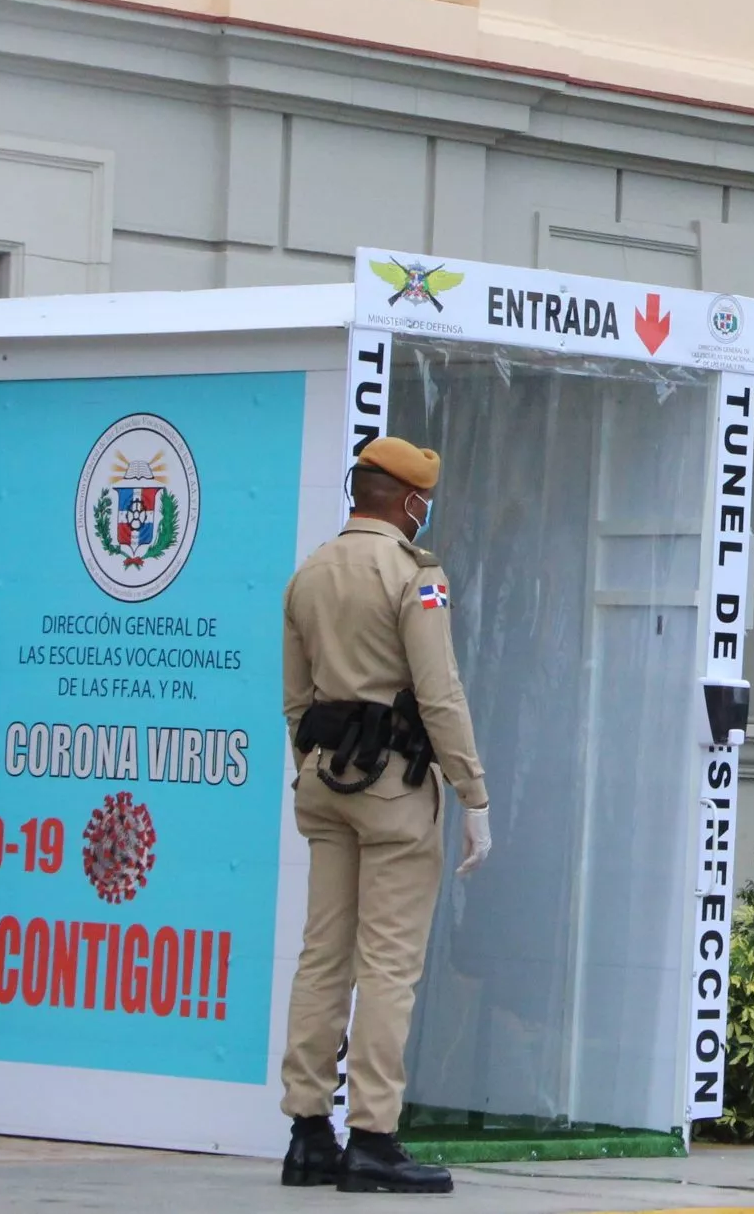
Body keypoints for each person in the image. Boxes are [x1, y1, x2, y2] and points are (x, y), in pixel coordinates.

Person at [276, 437, 496, 1193]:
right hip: (395, 788)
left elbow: (296, 700)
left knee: (322, 954)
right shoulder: (413, 576)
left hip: (322, 782)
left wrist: (308, 771)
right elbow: (439, 694)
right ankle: (371, 1135)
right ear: (408, 502)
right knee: (389, 965)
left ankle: (307, 1130)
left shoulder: (309, 571)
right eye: (421, 500)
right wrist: (473, 793)